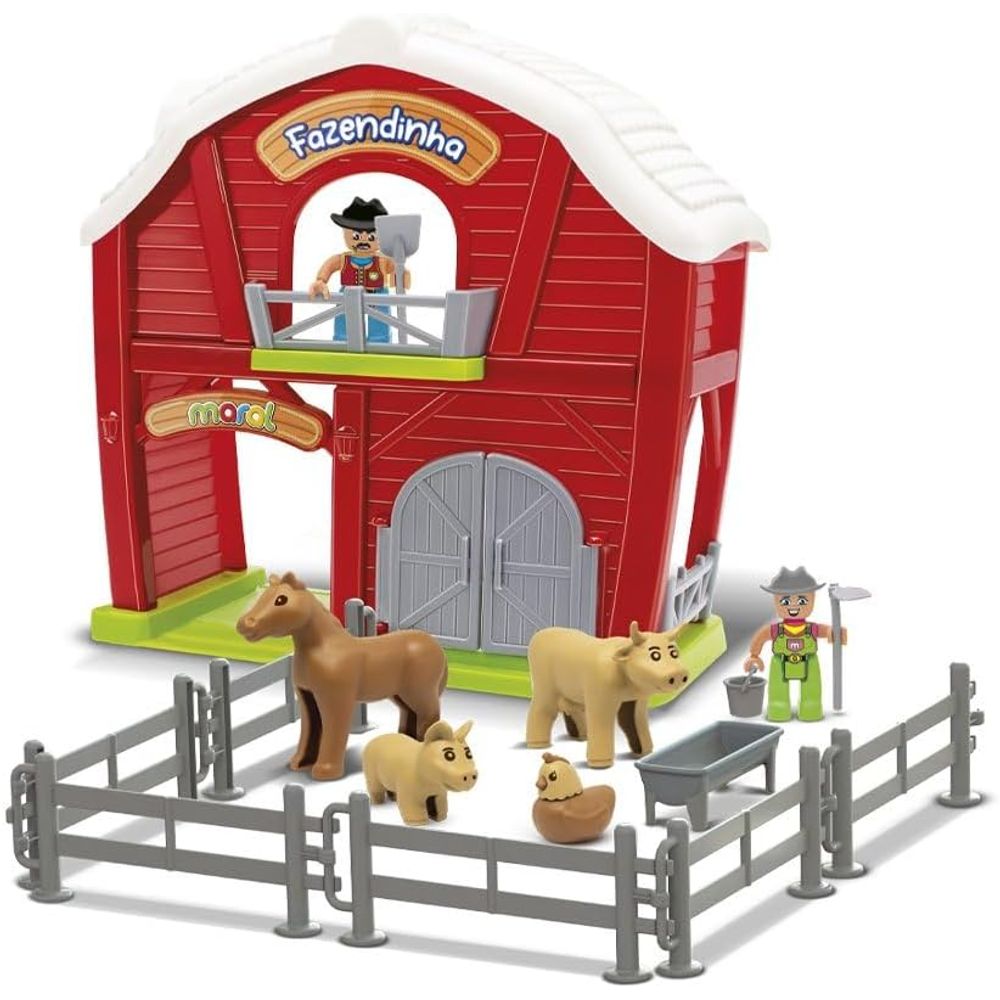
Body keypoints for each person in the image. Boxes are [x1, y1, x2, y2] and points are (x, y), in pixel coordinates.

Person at [743, 566, 846, 722]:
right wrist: (754, 655)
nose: (793, 606)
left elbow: (826, 631)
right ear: (776, 600)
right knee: (778, 687)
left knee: (811, 686)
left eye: (802, 601)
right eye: (785, 601)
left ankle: (811, 705)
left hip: (809, 660)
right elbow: (761, 637)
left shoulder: (811, 629)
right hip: (780, 661)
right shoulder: (776, 630)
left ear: (813, 599)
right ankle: (778, 705)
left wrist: (834, 632)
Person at [308, 197, 410, 344]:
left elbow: (398, 270)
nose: (363, 240)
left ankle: (380, 341)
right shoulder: (343, 259)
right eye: (356, 236)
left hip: (377, 295)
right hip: (348, 295)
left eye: (371, 236)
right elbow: (329, 266)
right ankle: (343, 339)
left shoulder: (382, 260)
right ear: (345, 232)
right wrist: (321, 281)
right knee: (344, 318)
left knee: (380, 320)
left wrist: (401, 274)